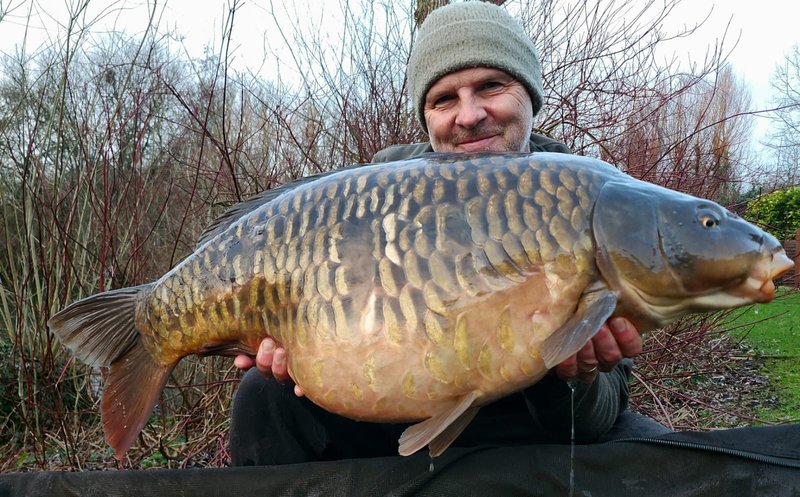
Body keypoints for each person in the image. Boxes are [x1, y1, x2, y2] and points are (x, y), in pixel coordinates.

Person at [229, 1, 670, 466]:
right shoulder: (369, 202)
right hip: (391, 413)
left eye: (491, 86)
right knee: (263, 395)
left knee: (660, 456)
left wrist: (572, 378)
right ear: (427, 116)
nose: (469, 114)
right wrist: (300, 350)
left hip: (533, 432)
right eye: (444, 99)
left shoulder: (585, 201)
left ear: (529, 95)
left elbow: (597, 419)